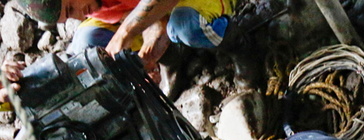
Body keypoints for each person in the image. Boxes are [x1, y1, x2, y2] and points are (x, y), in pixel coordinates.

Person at [16, 0, 234, 74]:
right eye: (69, 16)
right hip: (162, 12)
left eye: (71, 7)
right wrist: (154, 28)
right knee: (86, 44)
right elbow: (125, 12)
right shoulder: (90, 5)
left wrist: (126, 33)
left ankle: (239, 45)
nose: (79, 15)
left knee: (184, 26)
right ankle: (171, 62)